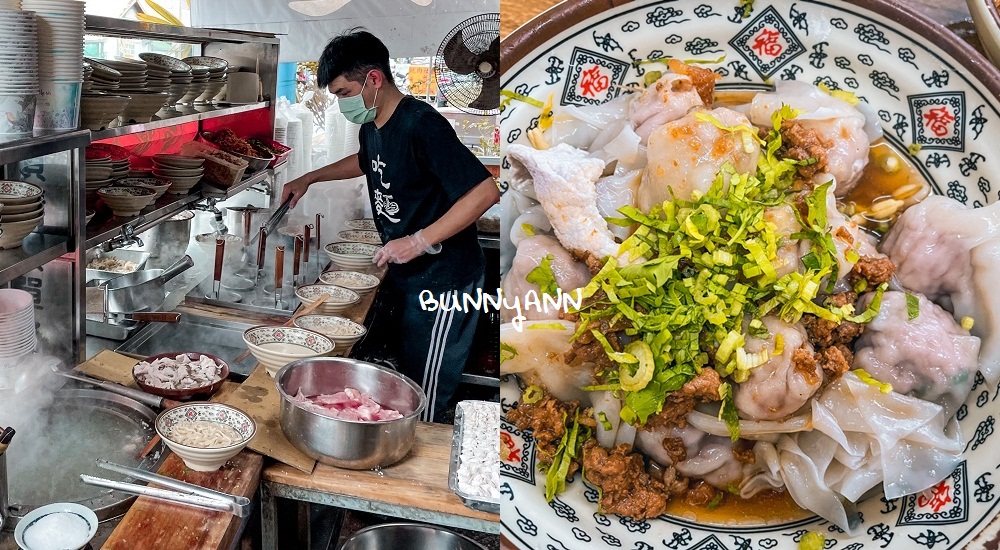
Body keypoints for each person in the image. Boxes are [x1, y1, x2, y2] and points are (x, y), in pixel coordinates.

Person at [281, 29, 500, 423]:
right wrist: (309, 178)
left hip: (444, 279)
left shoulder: (421, 124)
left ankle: (428, 467)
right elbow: (364, 162)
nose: (342, 105)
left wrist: (417, 241)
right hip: (411, 276)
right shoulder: (373, 125)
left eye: (345, 93)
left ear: (374, 79)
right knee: (409, 376)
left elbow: (485, 191)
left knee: (427, 390)